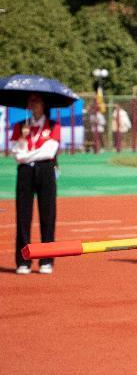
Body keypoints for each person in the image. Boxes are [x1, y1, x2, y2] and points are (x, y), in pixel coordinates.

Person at [12, 94, 60, 275]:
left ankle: (46, 259)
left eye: (37, 101)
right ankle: (23, 260)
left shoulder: (53, 125)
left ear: (44, 104)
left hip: (46, 170)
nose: (33, 105)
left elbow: (49, 152)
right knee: (23, 216)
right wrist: (23, 139)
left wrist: (26, 156)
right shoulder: (20, 126)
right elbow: (16, 154)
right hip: (25, 172)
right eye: (31, 102)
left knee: (47, 215)